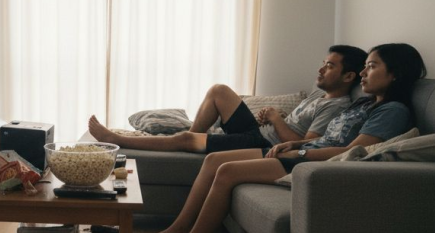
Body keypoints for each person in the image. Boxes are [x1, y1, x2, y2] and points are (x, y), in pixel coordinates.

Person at [142, 43, 427, 233]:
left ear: (395, 74)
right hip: (302, 152)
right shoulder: (365, 103)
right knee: (212, 160)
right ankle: (178, 228)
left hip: (314, 163)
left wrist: (299, 149)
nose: (364, 73)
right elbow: (325, 135)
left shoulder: (392, 111)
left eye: (372, 66)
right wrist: (296, 144)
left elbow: (351, 151)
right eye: (364, 67)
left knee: (227, 170)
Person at [87, 45, 368, 154]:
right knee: (219, 90)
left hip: (262, 145)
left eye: (330, 66)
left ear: (348, 77)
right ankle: (192, 138)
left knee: (185, 140)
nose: (321, 69)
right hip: (256, 133)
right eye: (324, 63)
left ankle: (120, 139)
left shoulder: (337, 105)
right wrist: (270, 118)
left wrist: (275, 118)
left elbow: (307, 142)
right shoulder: (321, 95)